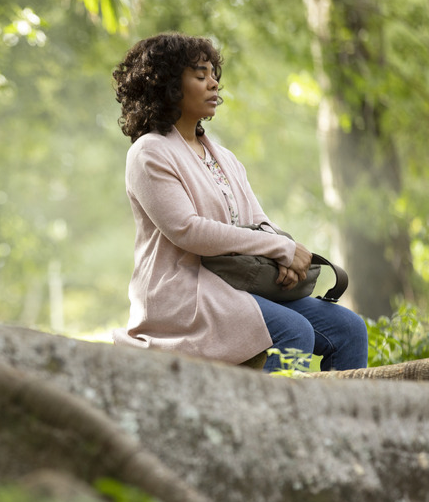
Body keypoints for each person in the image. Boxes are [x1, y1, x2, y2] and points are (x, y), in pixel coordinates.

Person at [110, 33, 367, 372]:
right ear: (168, 85)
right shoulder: (148, 152)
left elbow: (257, 219)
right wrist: (278, 249)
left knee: (349, 329)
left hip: (238, 284)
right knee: (293, 332)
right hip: (185, 293)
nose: (214, 84)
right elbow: (188, 231)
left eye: (214, 74)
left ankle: (340, 425)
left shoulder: (223, 156)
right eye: (200, 76)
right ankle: (273, 426)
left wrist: (283, 254)